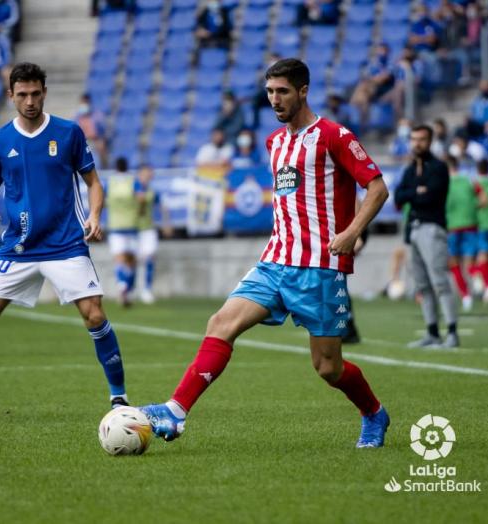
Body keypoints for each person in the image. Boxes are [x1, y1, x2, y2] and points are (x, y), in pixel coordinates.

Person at [140, 58, 391, 449]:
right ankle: (176, 410)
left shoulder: (334, 136)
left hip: (318, 268)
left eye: (283, 92)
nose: (275, 99)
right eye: (270, 92)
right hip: (274, 261)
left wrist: (351, 232)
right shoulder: (274, 142)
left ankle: (374, 414)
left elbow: (377, 188)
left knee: (328, 368)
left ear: (303, 91)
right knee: (221, 323)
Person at [0, 62, 128, 420]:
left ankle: (119, 400)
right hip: (18, 247)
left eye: (36, 93)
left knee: (94, 314)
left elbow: (94, 183)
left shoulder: (68, 133)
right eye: (22, 95)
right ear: (11, 96)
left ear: (44, 93)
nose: (30, 101)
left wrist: (95, 216)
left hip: (65, 244)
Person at [395, 125, 460, 348]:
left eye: (421, 139)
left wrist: (414, 194)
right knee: (422, 285)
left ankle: (452, 332)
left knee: (440, 281)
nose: (417, 143)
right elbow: (398, 196)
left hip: (432, 228)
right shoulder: (410, 169)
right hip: (412, 228)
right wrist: (417, 191)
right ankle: (432, 332)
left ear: (430, 141)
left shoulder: (439, 167)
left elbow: (431, 197)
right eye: (414, 139)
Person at [445, 154, 486, 311]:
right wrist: (471, 209)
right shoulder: (469, 180)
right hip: (471, 225)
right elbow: (484, 200)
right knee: (470, 262)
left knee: (454, 263)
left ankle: (466, 296)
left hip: (452, 227)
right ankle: (477, 277)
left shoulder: (444, 182)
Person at [135, 164, 171, 304]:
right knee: (133, 260)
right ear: (140, 173)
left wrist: (166, 223)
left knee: (149, 257)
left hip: (148, 229)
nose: (149, 175)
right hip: (133, 229)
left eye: (150, 173)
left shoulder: (151, 191)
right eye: (146, 172)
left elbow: (162, 207)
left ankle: (146, 289)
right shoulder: (132, 189)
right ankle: (132, 289)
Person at [106, 156, 139, 306]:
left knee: (119, 258)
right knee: (131, 261)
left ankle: (122, 285)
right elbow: (141, 199)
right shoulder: (134, 181)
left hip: (115, 226)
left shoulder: (110, 182)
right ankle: (128, 289)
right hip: (132, 225)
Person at [472, 159, 488, 304]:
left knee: (482, 256)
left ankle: (487, 287)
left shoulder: (476, 185)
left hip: (483, 225)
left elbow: (477, 203)